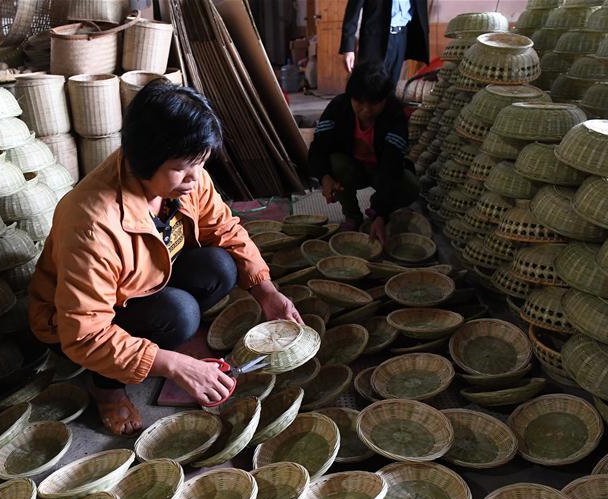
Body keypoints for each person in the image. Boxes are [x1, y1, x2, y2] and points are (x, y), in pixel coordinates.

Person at [28, 80, 302, 437]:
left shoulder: (188, 177)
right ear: (146, 159)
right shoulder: (91, 222)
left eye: (200, 163)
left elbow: (224, 228)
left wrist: (266, 290)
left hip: (144, 279)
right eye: (182, 167)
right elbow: (84, 334)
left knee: (220, 266)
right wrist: (174, 365)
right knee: (180, 313)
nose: (193, 178)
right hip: (70, 326)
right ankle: (107, 387)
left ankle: (157, 341)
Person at [308, 60, 416, 242]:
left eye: (373, 104)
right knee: (336, 162)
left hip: (381, 171)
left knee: (411, 186)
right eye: (359, 102)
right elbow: (318, 147)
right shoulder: (338, 107)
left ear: (385, 99)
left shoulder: (395, 113)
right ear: (350, 96)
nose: (366, 110)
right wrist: (324, 177)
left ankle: (375, 210)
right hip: (352, 169)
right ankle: (352, 216)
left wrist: (381, 213)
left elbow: (392, 164)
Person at [340, 0, 430, 80]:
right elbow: (352, 11)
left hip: (402, 37)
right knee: (369, 88)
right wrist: (348, 48)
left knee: (391, 88)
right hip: (374, 40)